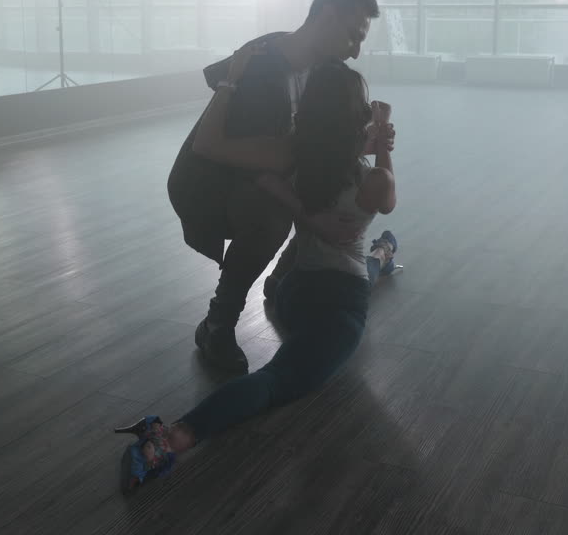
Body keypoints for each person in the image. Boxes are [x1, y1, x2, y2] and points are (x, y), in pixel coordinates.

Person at [117, 56, 399, 493]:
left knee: (364, 269)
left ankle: (382, 249)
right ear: (357, 119)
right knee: (277, 380)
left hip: (294, 291)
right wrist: (382, 136)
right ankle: (173, 436)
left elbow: (323, 150)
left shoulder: (293, 163)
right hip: (339, 309)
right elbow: (386, 193)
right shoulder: (375, 180)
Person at [167, 0, 383, 372]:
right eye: (354, 36)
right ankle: (218, 322)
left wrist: (366, 143)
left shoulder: (319, 67)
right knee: (272, 217)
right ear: (328, 16)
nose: (356, 50)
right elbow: (271, 163)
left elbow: (309, 148)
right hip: (212, 183)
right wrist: (315, 217)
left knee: (332, 180)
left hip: (262, 168)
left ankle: (283, 278)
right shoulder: (262, 70)